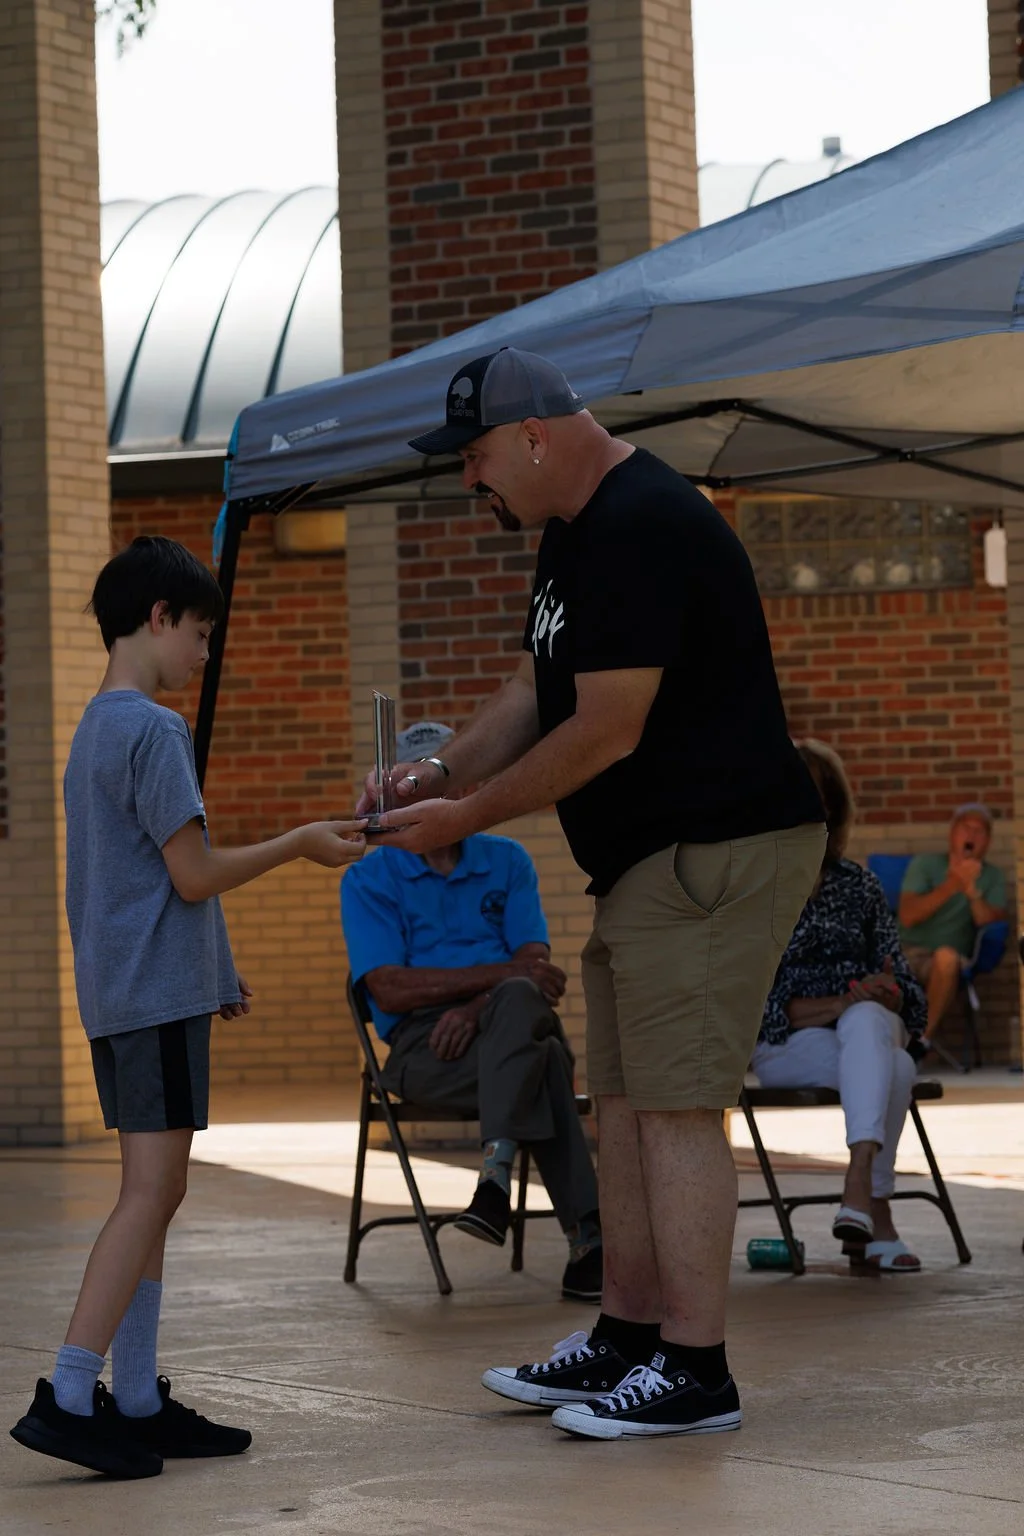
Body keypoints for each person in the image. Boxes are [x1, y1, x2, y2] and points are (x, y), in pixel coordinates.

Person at [359, 347, 826, 1441]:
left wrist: (464, 817)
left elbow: (607, 728)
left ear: (533, 436)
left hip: (712, 851)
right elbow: (537, 686)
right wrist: (438, 773)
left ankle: (696, 1370)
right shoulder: (574, 533)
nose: (469, 480)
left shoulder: (643, 522)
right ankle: (626, 1335)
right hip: (645, 864)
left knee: (674, 1107)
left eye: (474, 456)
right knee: (620, 1104)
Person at [10, 536, 367, 1480]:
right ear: (158, 616)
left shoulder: (94, 729)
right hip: (152, 998)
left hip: (122, 992)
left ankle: (134, 1398)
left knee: (154, 1194)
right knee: (151, 1194)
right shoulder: (156, 731)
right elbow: (194, 873)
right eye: (201, 634)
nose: (206, 655)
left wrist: (216, 971)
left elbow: (140, 883)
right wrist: (299, 842)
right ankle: (69, 1395)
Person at [342, 720, 602, 1302]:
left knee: (523, 1011)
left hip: (506, 1027)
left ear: (466, 787)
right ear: (391, 794)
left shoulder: (506, 859)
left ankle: (494, 1184)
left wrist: (481, 1004)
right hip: (424, 1049)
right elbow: (388, 990)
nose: (432, 796)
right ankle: (587, 1239)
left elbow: (535, 970)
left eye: (443, 781)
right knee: (544, 1058)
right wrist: (502, 979)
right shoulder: (369, 876)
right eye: (411, 785)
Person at [751, 740, 927, 1273]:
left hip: (863, 1033)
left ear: (834, 810)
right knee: (895, 1067)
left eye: (819, 800)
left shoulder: (860, 885)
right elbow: (755, 1002)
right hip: (789, 1046)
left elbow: (907, 987)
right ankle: (875, 1209)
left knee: (871, 1022)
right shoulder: (757, 890)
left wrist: (892, 992)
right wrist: (839, 1002)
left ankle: (858, 1188)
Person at [898, 803, 1008, 1047]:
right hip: (906, 952)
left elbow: (991, 922)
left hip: (948, 959)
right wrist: (952, 884)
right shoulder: (925, 865)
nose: (972, 835)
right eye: (966, 828)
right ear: (952, 833)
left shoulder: (993, 876)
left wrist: (972, 892)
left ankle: (920, 1042)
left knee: (947, 958)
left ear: (988, 842)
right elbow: (908, 916)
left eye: (980, 831)